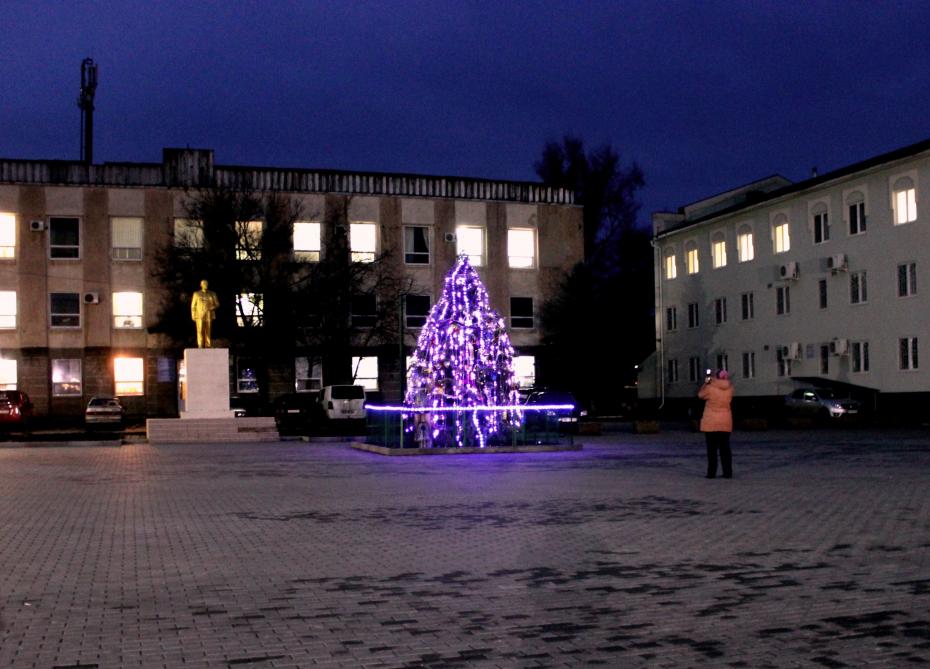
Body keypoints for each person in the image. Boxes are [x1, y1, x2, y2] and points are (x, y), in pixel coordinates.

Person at [698, 369, 734, 478]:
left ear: (716, 377)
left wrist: (706, 382)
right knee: (725, 448)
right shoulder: (730, 388)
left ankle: (711, 473)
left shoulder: (710, 387)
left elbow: (700, 395)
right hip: (725, 421)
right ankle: (728, 472)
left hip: (711, 422)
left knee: (712, 449)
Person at [190, 279, 219, 348]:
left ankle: (208, 345)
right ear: (201, 285)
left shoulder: (212, 294)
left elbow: (217, 304)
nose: (205, 285)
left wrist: (210, 308)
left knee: (208, 330)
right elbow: (193, 306)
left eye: (206, 284)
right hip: (199, 315)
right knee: (200, 330)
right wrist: (193, 315)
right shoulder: (196, 294)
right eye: (204, 284)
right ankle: (200, 344)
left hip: (208, 314)